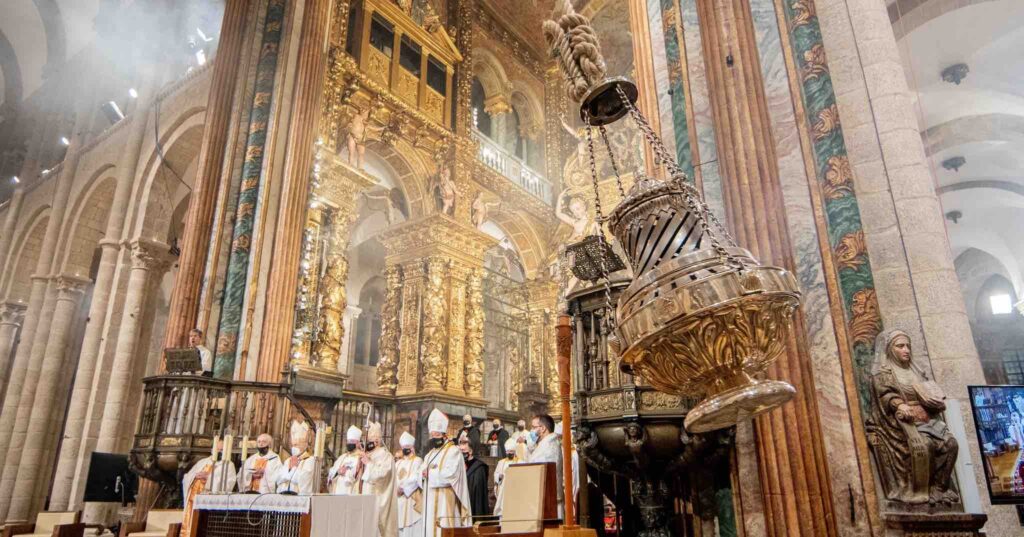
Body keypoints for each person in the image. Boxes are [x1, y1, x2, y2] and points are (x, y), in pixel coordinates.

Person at [422, 409, 471, 535]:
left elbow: (450, 475)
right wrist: (421, 474)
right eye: (433, 436)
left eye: (437, 435)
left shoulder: (453, 451)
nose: (435, 438)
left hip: (445, 500)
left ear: (444, 435)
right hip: (430, 499)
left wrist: (430, 473)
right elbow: (421, 473)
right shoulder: (429, 454)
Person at [181, 448, 236, 537]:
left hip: (211, 503)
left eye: (221, 449)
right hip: (194, 498)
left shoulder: (228, 465)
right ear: (212, 450)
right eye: (217, 449)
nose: (219, 451)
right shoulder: (202, 462)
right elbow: (187, 477)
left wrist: (209, 478)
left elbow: (229, 484)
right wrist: (195, 476)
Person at [362, 422, 397, 537]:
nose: (366, 443)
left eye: (369, 440)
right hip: (366, 498)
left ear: (377, 441)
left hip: (378, 499)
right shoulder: (368, 454)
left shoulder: (385, 456)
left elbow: (382, 475)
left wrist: (369, 464)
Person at [525, 414, 563, 517]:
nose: (531, 431)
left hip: (549, 501)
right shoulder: (544, 444)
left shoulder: (550, 446)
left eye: (533, 427)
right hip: (542, 499)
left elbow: (538, 469)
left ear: (542, 428)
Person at [395, 432, 423, 537]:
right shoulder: (398, 463)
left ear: (412, 447)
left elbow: (416, 477)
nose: (405, 449)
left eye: (407, 447)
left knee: (410, 528)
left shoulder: (418, 461)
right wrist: (396, 488)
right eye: (403, 447)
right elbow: (394, 478)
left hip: (410, 498)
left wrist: (402, 488)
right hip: (398, 499)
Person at [329, 425, 364, 494]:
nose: (349, 443)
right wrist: (338, 472)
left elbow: (359, 475)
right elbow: (331, 472)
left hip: (351, 492)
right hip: (338, 492)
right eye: (348, 441)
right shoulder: (342, 457)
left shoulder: (361, 457)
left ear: (358, 443)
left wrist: (346, 472)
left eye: (352, 441)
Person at [460, 437, 489, 518]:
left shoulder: (479, 467)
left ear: (470, 451)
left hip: (473, 501)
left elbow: (479, 491)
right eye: (460, 451)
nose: (462, 453)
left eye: (464, 451)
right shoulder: (458, 464)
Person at [493, 437, 518, 516]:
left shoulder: (520, 462)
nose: (509, 453)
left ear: (514, 451)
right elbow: (496, 474)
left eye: (511, 451)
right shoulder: (501, 462)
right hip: (503, 490)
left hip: (514, 489)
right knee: (502, 509)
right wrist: (499, 477)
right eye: (508, 451)